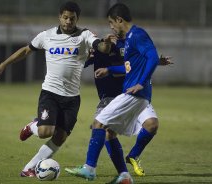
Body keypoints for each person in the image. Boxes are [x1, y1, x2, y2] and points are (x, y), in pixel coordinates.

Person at [0, 1, 112, 178]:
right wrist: (3, 65)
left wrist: (106, 44)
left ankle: (29, 168)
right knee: (44, 132)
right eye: (65, 17)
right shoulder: (46, 35)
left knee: (60, 137)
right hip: (50, 93)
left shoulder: (85, 35)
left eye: (72, 18)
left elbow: (101, 47)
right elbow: (26, 50)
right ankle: (33, 126)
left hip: (72, 98)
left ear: (77, 18)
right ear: (59, 17)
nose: (68, 21)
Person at [64, 3, 162, 184]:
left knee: (98, 124)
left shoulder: (137, 34)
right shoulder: (131, 38)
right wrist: (109, 70)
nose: (111, 27)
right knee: (109, 132)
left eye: (111, 22)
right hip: (136, 96)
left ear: (119, 20)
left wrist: (140, 83)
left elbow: (153, 57)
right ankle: (124, 176)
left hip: (134, 94)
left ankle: (89, 169)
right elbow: (131, 66)